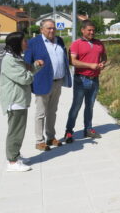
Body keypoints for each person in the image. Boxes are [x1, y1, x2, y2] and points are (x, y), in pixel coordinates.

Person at [24, 19, 72, 151]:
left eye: (53, 28)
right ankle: (39, 141)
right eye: (48, 28)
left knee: (52, 111)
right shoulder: (33, 43)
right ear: (41, 30)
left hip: (57, 82)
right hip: (41, 83)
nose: (52, 31)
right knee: (41, 113)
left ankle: (51, 136)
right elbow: (27, 63)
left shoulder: (59, 41)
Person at [0, 32, 44, 172]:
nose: (27, 43)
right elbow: (25, 78)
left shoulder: (16, 57)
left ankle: (16, 155)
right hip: (14, 101)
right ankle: (12, 162)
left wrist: (35, 66)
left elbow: (27, 71)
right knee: (15, 132)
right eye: (24, 40)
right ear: (17, 43)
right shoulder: (9, 60)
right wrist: (34, 69)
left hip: (20, 100)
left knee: (19, 130)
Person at [65, 20, 107, 143]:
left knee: (90, 106)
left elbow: (104, 56)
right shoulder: (76, 44)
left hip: (94, 80)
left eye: (93, 30)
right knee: (76, 106)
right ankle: (68, 131)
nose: (92, 32)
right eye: (89, 30)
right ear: (82, 30)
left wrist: (102, 63)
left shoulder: (99, 43)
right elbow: (73, 61)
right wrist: (90, 66)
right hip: (81, 80)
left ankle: (88, 129)